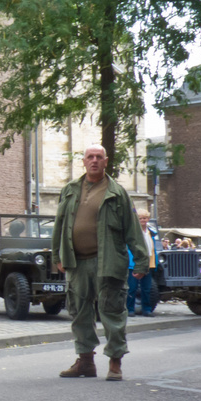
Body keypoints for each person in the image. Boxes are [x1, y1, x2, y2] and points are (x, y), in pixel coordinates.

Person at [52, 145, 150, 380]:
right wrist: (57, 256)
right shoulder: (69, 190)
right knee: (79, 313)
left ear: (105, 162)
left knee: (112, 312)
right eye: (90, 157)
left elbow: (132, 229)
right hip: (77, 263)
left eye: (98, 157)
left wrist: (141, 261)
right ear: (83, 162)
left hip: (109, 262)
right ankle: (85, 362)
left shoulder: (117, 192)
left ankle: (115, 363)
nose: (94, 161)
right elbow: (59, 225)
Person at [128, 211, 158, 316]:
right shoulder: (133, 232)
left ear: (148, 219)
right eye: (140, 218)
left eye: (144, 218)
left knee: (147, 288)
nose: (142, 220)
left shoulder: (151, 232)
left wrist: (155, 262)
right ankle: (130, 309)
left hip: (148, 262)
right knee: (132, 288)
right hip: (135, 263)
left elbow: (153, 248)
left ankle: (147, 309)